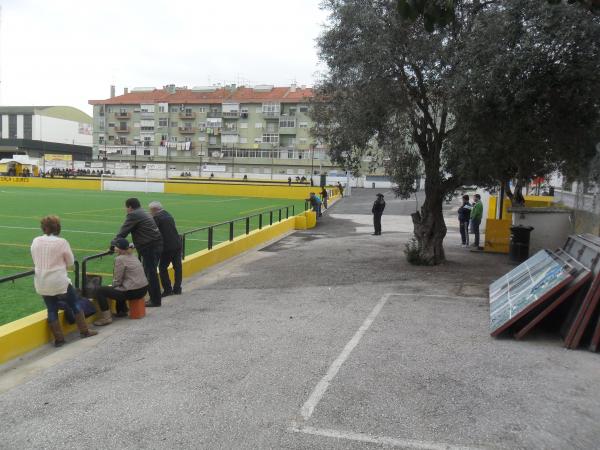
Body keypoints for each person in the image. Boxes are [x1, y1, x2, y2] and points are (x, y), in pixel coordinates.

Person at [31, 216, 97, 347]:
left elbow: (34, 257)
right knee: (75, 305)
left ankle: (59, 339)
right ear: (58, 228)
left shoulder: (36, 241)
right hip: (59, 281)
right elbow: (71, 262)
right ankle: (84, 331)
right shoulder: (61, 242)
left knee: (51, 310)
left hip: (42, 281)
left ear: (43, 228)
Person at [114, 198, 163, 307]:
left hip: (149, 246)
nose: (126, 210)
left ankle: (155, 300)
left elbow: (123, 232)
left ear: (130, 207)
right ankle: (152, 298)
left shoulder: (134, 215)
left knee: (151, 273)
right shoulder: (143, 212)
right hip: (156, 244)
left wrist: (114, 243)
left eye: (126, 207)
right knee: (149, 272)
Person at [92, 238, 149, 326]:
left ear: (119, 248)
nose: (113, 248)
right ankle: (122, 310)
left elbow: (117, 279)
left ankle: (106, 318)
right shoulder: (132, 255)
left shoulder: (120, 259)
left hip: (134, 291)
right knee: (120, 287)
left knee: (101, 290)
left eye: (115, 246)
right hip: (143, 288)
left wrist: (112, 287)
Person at [149, 201, 182, 296]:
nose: (150, 212)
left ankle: (168, 290)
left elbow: (153, 232)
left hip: (167, 247)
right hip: (177, 244)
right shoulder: (168, 214)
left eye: (150, 210)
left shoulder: (157, 217)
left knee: (162, 268)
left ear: (154, 210)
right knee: (178, 267)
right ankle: (177, 288)